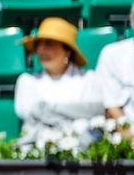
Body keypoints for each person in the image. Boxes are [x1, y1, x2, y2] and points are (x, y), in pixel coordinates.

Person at [14, 17, 103, 150]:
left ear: (67, 51)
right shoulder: (26, 81)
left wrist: (47, 110)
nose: (42, 50)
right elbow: (27, 112)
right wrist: (74, 114)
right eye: (39, 44)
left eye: (49, 43)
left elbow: (96, 112)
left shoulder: (89, 79)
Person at [95, 0, 134, 146]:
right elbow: (111, 107)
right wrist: (132, 142)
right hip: (128, 141)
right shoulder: (113, 54)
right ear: (133, 23)